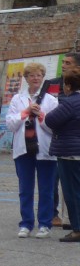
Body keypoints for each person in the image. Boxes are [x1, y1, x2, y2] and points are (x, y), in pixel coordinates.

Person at [4, 61, 57, 238]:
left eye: (39, 75)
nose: (36, 78)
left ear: (43, 78)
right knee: (25, 188)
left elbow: (54, 127)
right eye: (32, 75)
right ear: (26, 78)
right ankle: (26, 223)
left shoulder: (51, 101)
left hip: (45, 150)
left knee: (46, 189)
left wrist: (41, 115)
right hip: (23, 149)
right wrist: (25, 112)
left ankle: (45, 224)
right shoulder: (17, 99)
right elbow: (10, 125)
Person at [45, 69, 80, 243]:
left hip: (70, 152)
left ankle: (78, 229)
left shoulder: (70, 102)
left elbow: (50, 120)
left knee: (72, 192)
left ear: (67, 86)